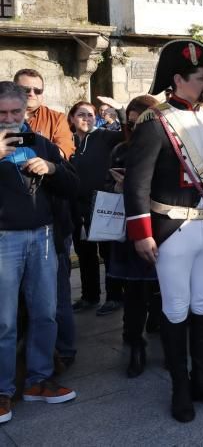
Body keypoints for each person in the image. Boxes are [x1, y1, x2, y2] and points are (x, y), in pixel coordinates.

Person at [123, 40, 203, 422]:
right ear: (178, 79)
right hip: (172, 228)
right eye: (202, 75)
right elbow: (136, 182)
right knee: (175, 308)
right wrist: (141, 231)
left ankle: (202, 379)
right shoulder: (155, 122)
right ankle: (180, 388)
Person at [1, 80, 80, 423]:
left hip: (44, 236)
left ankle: (38, 380)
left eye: (15, 112)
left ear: (25, 111)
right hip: (4, 240)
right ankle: (2, 391)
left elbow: (74, 185)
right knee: (3, 320)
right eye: (1, 113)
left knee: (46, 312)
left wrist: (51, 169)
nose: (9, 119)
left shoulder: (38, 142)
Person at [106, 95, 162, 378]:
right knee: (136, 291)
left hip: (161, 224)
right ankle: (134, 342)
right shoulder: (120, 149)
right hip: (131, 227)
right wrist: (119, 185)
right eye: (130, 122)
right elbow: (107, 183)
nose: (134, 127)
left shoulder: (167, 146)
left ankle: (164, 336)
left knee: (164, 289)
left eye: (139, 121)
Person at [67, 101, 126, 316]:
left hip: (102, 203)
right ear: (72, 118)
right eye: (81, 114)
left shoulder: (103, 136)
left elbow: (128, 135)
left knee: (108, 253)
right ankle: (89, 296)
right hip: (77, 206)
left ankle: (114, 296)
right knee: (85, 254)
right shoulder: (67, 140)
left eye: (90, 115)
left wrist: (120, 110)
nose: (86, 118)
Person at [13, 69, 74, 160]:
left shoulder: (57, 119)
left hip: (43, 172)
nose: (31, 94)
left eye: (37, 91)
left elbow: (63, 150)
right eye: (26, 89)